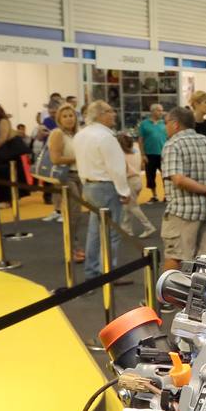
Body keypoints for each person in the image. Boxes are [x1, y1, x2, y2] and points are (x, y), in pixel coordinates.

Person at [160, 106, 206, 270]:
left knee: (175, 259)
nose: (165, 127)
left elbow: (178, 179)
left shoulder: (173, 145)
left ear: (175, 124)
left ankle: (169, 288)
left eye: (166, 123)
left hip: (182, 213)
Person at [73, 101, 131, 280]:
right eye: (109, 111)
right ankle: (107, 273)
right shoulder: (106, 137)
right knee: (112, 233)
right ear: (100, 115)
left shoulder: (81, 134)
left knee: (94, 231)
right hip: (106, 186)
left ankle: (92, 272)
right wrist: (124, 191)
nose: (113, 114)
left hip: (89, 185)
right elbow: (116, 168)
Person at [47, 103, 86, 262]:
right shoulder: (57, 134)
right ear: (59, 119)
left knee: (76, 214)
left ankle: (74, 245)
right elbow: (55, 159)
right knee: (73, 213)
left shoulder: (78, 133)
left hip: (79, 175)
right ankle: (72, 248)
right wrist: (77, 158)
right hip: (65, 176)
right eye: (65, 116)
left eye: (71, 115)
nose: (69, 119)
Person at [117, 133, 156, 238]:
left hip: (129, 181)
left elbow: (123, 169)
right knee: (127, 207)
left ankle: (148, 226)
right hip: (138, 180)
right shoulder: (136, 150)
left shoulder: (121, 154)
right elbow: (142, 165)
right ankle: (126, 229)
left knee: (133, 206)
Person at [138, 104, 167, 202]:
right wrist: (143, 154)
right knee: (150, 176)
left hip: (163, 154)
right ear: (152, 111)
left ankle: (167, 195)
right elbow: (141, 140)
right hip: (149, 154)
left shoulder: (165, 123)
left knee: (166, 176)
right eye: (159, 110)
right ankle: (154, 196)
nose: (161, 112)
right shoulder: (144, 124)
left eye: (162, 110)